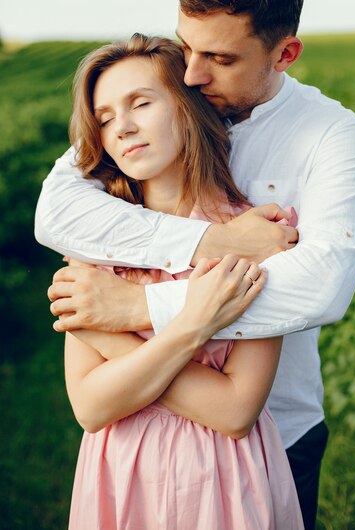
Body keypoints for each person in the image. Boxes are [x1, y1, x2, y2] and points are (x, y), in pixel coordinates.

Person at [36, 0, 355, 529]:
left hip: (272, 430)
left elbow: (320, 288)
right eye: (186, 47)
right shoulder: (168, 100)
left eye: (218, 58)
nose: (192, 73)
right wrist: (209, 244)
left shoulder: (331, 135)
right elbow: (57, 211)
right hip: (130, 451)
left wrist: (133, 310)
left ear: (284, 53)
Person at [63, 33, 304, 529]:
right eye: (104, 118)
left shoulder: (256, 236)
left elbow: (237, 410)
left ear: (188, 106)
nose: (122, 128)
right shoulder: (92, 242)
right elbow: (89, 407)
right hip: (122, 474)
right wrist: (193, 325)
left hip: (224, 479)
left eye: (140, 104)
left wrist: (118, 345)